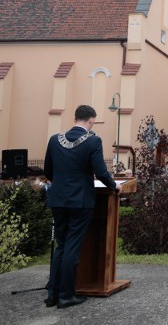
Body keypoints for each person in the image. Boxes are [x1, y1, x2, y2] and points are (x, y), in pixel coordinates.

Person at [43, 105, 121, 309]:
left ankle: (52, 294)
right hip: (80, 201)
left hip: (58, 200)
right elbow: (101, 172)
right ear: (92, 121)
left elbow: (48, 171)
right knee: (72, 247)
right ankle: (67, 295)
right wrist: (115, 187)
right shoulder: (93, 141)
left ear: (75, 117)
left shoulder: (54, 140)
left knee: (61, 245)